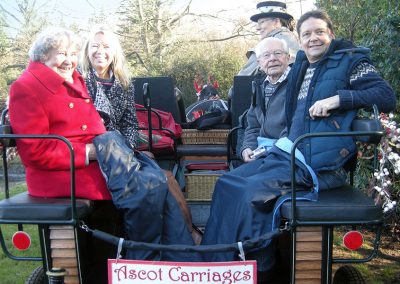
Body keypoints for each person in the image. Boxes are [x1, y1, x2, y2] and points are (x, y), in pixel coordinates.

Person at [201, 9, 396, 283]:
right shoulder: (303, 66)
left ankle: (261, 268)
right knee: (227, 183)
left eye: (319, 32)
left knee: (248, 193)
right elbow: (283, 114)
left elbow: (385, 96)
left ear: (331, 34)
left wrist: (338, 100)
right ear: (300, 40)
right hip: (290, 153)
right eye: (306, 34)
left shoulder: (350, 61)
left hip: (320, 164)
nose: (313, 38)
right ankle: (213, 261)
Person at [80, 25, 201, 255]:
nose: (100, 51)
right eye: (94, 46)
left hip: (121, 151)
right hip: (99, 155)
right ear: (86, 51)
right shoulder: (80, 82)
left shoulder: (124, 83)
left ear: (114, 52)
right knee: (160, 179)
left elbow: (130, 124)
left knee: (167, 178)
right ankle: (181, 241)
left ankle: (186, 237)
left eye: (106, 47)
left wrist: (130, 150)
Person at [8, 27, 110, 200]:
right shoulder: (26, 87)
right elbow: (36, 150)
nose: (69, 61)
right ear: (43, 56)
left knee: (159, 178)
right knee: (153, 184)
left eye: (73, 54)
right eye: (62, 53)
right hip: (62, 176)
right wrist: (89, 152)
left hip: (92, 165)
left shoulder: (73, 79)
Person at [240, 37, 291, 163]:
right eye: (266, 55)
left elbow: (296, 126)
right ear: (259, 62)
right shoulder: (259, 86)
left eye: (278, 53)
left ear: (288, 57)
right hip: (263, 152)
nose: (272, 58)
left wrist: (273, 151)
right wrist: (247, 147)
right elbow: (253, 126)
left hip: (287, 154)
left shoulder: (298, 84)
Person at [238, 1, 299, 76]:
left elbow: (242, 79)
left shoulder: (270, 44)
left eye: (262, 22)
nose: (257, 28)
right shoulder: (291, 39)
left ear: (276, 22)